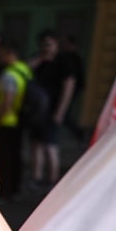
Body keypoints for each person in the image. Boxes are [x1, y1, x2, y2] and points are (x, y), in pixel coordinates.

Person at [28, 29, 78, 189]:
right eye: (43, 44)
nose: (46, 48)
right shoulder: (38, 61)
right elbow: (23, 70)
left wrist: (60, 112)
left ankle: (52, 180)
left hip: (53, 110)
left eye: (49, 44)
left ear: (56, 45)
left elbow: (69, 87)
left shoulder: (63, 62)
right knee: (36, 144)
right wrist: (41, 59)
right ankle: (36, 178)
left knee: (51, 146)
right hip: (37, 111)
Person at [0, 37, 29, 201]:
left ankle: (5, 191)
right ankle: (14, 189)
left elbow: (7, 100)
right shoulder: (24, 69)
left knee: (4, 159)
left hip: (7, 122)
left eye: (3, 54)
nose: (0, 57)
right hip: (19, 119)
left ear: (10, 54)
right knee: (15, 156)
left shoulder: (9, 74)